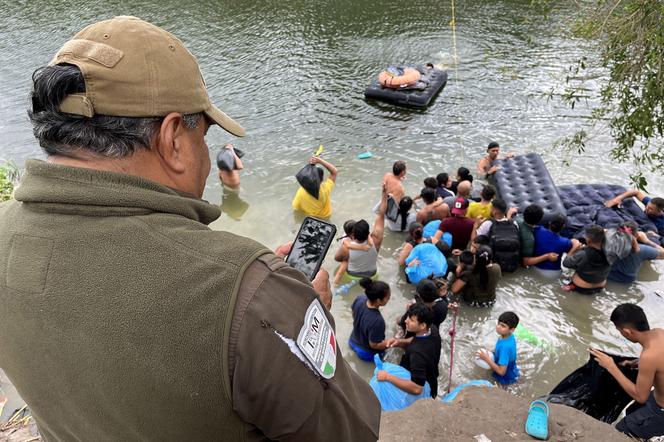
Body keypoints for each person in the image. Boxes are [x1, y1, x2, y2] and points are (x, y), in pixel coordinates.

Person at [0, 17, 380, 442]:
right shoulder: (253, 293)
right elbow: (355, 431)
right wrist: (307, 314)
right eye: (204, 135)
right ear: (173, 140)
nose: (205, 153)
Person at [589, 304, 664, 440]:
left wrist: (611, 367)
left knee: (618, 432)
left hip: (661, 410)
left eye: (620, 331)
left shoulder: (648, 357)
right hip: (658, 396)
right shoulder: (659, 333)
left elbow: (641, 397)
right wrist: (635, 363)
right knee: (631, 411)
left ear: (627, 332)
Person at [379, 303, 442, 398]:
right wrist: (399, 342)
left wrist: (387, 377)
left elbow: (417, 388)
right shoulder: (432, 330)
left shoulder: (417, 354)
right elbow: (417, 340)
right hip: (432, 377)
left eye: (411, 320)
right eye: (408, 316)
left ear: (422, 325)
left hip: (423, 389)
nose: (405, 321)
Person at [349, 278, 392, 361]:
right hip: (366, 353)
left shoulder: (359, 299)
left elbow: (354, 315)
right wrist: (392, 342)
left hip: (352, 340)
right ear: (378, 300)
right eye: (388, 297)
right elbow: (374, 345)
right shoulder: (377, 320)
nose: (389, 298)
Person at [476, 198, 521, 273]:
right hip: (512, 265)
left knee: (475, 244)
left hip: (494, 267)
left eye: (491, 208)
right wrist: (509, 216)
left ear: (495, 211)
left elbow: (474, 240)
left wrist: (476, 225)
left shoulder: (488, 224)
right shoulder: (514, 224)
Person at [562, 225, 610, 294]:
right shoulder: (612, 251)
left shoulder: (583, 254)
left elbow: (566, 263)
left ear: (589, 240)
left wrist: (573, 249)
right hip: (600, 286)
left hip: (581, 287)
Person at [477, 311, 520, 385]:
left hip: (506, 378)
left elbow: (501, 372)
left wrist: (487, 359)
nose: (498, 327)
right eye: (498, 323)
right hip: (511, 369)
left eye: (503, 326)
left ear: (511, 330)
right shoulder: (507, 336)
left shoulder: (505, 347)